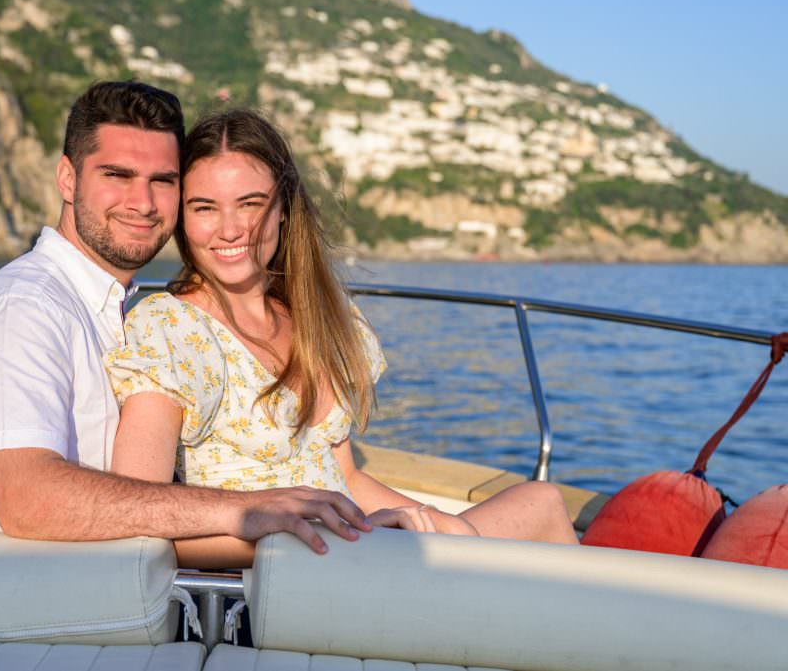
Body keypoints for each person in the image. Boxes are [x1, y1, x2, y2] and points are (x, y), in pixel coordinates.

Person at [0, 82, 371, 556]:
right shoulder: (23, 309)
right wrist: (242, 510)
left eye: (162, 181)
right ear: (67, 179)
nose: (143, 203)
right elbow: (27, 500)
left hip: (87, 589)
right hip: (14, 608)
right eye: (117, 175)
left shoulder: (109, 309)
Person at [105, 108, 578, 567]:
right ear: (183, 218)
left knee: (542, 502)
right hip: (282, 581)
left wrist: (424, 518)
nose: (230, 229)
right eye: (205, 208)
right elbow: (140, 519)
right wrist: (304, 538)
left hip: (350, 549)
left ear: (283, 210)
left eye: (250, 204)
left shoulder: (316, 320)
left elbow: (345, 476)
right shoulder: (172, 332)